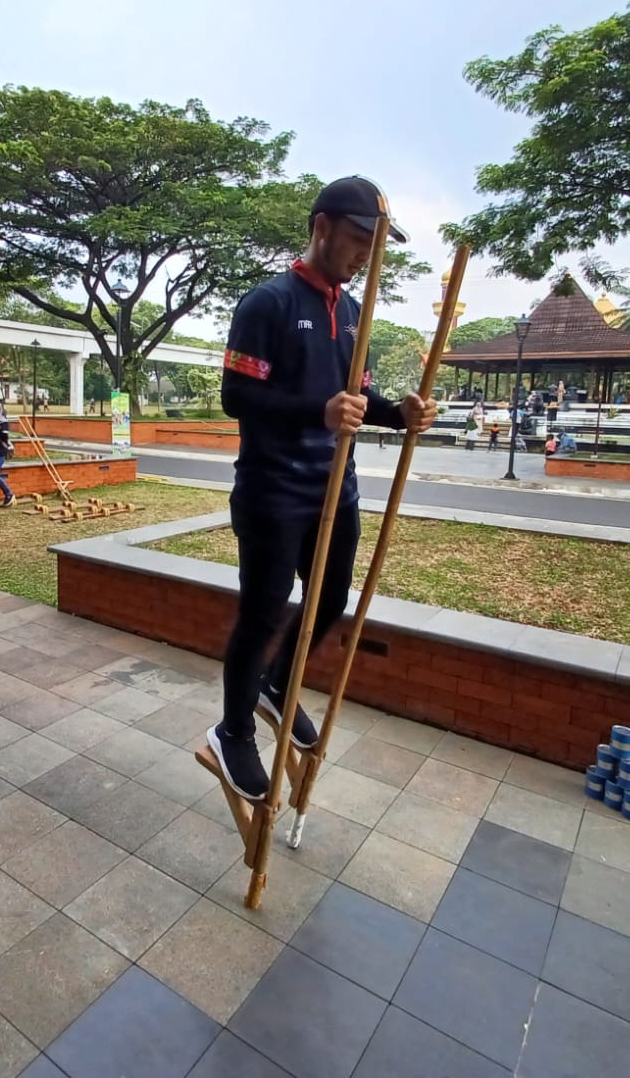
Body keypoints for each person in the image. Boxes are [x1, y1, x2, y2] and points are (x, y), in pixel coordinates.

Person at [207, 175, 436, 800]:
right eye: (361, 238)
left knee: (331, 598)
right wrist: (320, 413)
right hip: (273, 491)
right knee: (263, 608)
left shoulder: (355, 313)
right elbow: (237, 397)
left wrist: (401, 413)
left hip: (338, 489)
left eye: (376, 244)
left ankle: (280, 684)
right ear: (322, 227)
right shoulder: (267, 304)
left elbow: (357, 398)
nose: (366, 255)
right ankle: (233, 731)